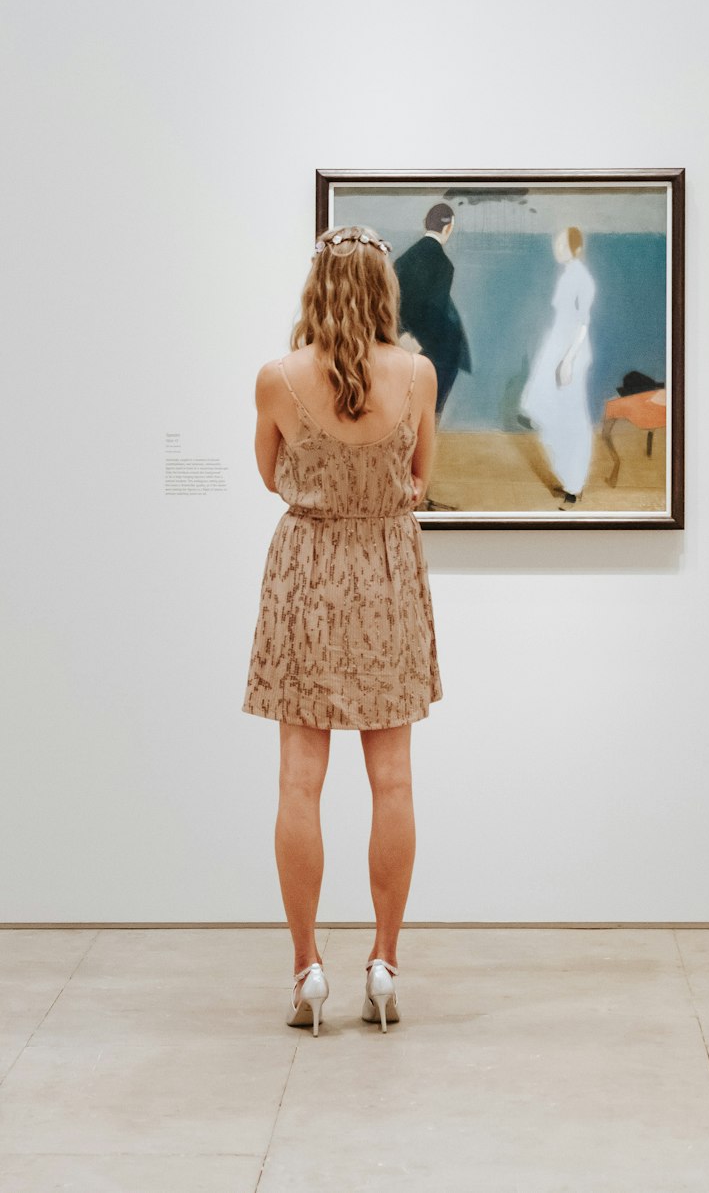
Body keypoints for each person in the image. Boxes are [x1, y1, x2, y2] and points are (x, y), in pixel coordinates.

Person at [242, 224, 442, 1036]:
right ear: (383, 290)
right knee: (391, 781)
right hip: (389, 572)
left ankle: (307, 968)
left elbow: (269, 475)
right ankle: (385, 963)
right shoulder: (419, 375)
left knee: (300, 783)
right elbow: (422, 479)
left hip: (307, 575)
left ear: (316, 287)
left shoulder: (278, 378)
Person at [519, 227, 597, 508]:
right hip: (557, 348)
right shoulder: (567, 276)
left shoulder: (581, 279)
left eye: (562, 243)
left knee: (572, 416)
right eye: (557, 242)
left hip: (570, 353)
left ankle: (574, 485)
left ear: (574, 247)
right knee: (545, 408)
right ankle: (567, 477)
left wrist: (568, 359)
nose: (557, 247)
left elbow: (583, 324)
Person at [393, 202, 472, 419]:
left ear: (425, 224)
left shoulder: (402, 260)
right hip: (430, 349)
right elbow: (434, 313)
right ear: (448, 228)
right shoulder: (443, 264)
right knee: (431, 408)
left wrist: (401, 335)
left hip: (401, 342)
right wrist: (420, 343)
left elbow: (394, 302)